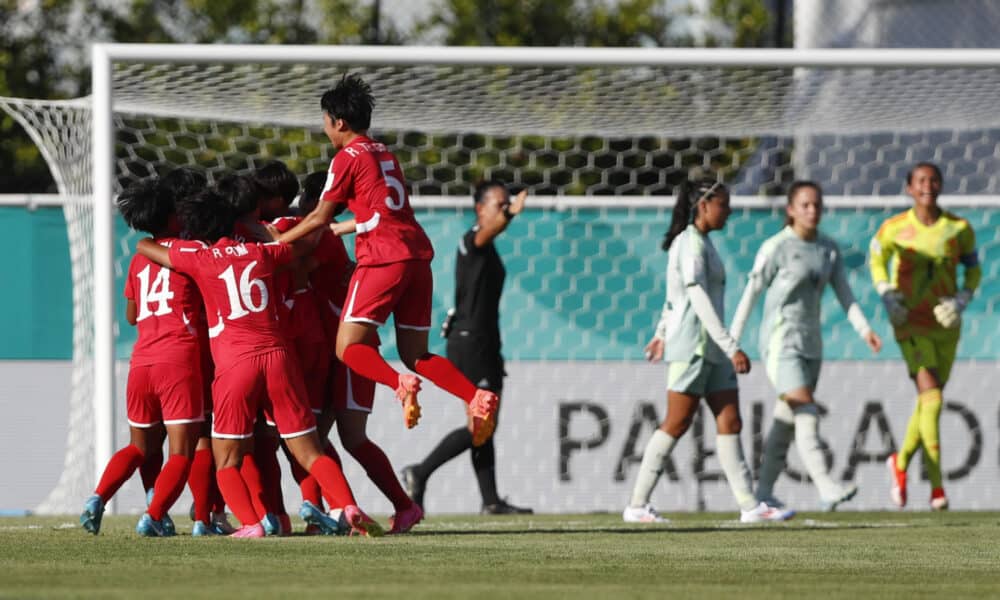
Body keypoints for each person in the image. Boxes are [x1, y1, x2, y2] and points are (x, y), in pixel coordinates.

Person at [135, 178, 382, 537]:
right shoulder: (263, 252)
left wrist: (145, 240)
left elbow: (151, 249)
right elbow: (301, 245)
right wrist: (263, 229)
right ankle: (347, 505)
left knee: (226, 459)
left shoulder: (199, 258)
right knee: (309, 450)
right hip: (280, 357)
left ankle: (252, 523)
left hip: (236, 364)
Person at [266, 74, 499, 448]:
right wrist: (344, 231)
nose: (324, 128)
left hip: (382, 259)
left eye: (324, 121)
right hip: (416, 256)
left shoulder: (347, 157)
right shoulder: (383, 153)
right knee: (416, 353)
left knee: (348, 348)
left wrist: (275, 240)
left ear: (337, 122)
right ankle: (475, 396)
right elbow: (380, 211)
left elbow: (317, 217)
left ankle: (398, 385)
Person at [622, 179, 793, 524]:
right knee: (677, 421)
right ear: (704, 206)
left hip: (711, 348)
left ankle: (750, 506)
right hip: (695, 347)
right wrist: (731, 346)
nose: (727, 211)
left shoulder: (704, 244)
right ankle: (637, 505)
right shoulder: (690, 244)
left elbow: (674, 299)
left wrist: (659, 333)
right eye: (723, 205)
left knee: (730, 420)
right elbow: (693, 296)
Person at [729, 181, 882, 511]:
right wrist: (732, 341)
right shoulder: (777, 247)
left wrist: (864, 329)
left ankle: (763, 493)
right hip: (780, 340)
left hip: (812, 343)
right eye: (805, 205)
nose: (812, 211)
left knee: (787, 419)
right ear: (790, 210)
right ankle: (826, 486)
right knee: (805, 407)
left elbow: (843, 292)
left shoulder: (828, 248)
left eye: (816, 205)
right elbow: (751, 292)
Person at [80, 178, 206, 536]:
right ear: (172, 215)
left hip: (142, 362)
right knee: (182, 452)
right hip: (178, 358)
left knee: (140, 447)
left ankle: (97, 498)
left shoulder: (139, 258)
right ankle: (153, 515)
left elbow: (132, 315)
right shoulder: (188, 251)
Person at [402, 181, 532, 515]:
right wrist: (512, 216)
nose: (504, 210)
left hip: (483, 342)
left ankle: (490, 501)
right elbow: (488, 233)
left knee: (484, 424)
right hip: (470, 342)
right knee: (482, 422)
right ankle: (420, 471)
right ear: (480, 209)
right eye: (499, 205)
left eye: (506, 205)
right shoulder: (471, 241)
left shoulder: (483, 247)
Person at [869, 162, 980, 511]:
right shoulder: (894, 228)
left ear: (941, 185)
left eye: (933, 180)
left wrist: (962, 299)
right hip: (909, 323)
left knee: (928, 401)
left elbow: (973, 270)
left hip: (945, 326)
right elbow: (877, 260)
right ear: (909, 188)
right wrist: (886, 291)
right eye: (920, 181)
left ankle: (899, 464)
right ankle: (936, 489)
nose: (927, 186)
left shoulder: (959, 229)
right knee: (931, 399)